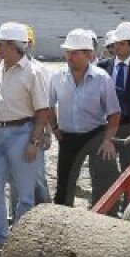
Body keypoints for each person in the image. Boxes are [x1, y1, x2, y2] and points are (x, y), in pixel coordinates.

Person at [0, 20, 52, 252]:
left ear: (13, 46)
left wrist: (34, 141)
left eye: (1, 44)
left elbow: (43, 110)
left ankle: (19, 242)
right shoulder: (0, 69)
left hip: (22, 132)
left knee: (24, 193)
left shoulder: (34, 72)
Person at [50, 30, 120, 207]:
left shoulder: (102, 78)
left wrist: (108, 140)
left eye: (74, 52)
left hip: (95, 135)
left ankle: (102, 214)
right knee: (64, 183)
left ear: (88, 54)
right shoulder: (57, 77)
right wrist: (55, 128)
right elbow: (49, 105)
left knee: (104, 179)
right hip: (67, 136)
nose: (69, 56)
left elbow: (114, 112)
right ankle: (63, 218)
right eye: (68, 52)